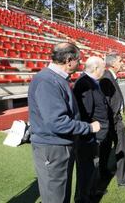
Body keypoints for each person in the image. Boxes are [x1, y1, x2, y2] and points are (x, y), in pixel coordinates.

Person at [28, 42, 100, 203]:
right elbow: (57, 122)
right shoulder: (47, 81)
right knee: (56, 197)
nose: (80, 63)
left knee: (62, 194)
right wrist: (88, 127)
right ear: (69, 60)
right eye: (78, 60)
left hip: (59, 146)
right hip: (53, 148)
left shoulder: (55, 79)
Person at [99, 53, 125, 188]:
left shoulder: (109, 77)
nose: (123, 63)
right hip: (113, 121)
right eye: (121, 61)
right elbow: (105, 103)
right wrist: (113, 121)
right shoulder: (106, 78)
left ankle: (104, 173)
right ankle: (123, 179)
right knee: (123, 149)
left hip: (111, 121)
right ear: (113, 64)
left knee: (105, 149)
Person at [72, 56, 108, 202]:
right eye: (102, 68)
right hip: (88, 136)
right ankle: (83, 198)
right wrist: (93, 131)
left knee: (93, 166)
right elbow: (85, 113)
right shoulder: (84, 83)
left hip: (94, 134)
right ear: (95, 68)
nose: (104, 70)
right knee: (86, 169)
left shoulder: (91, 81)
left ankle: (91, 192)